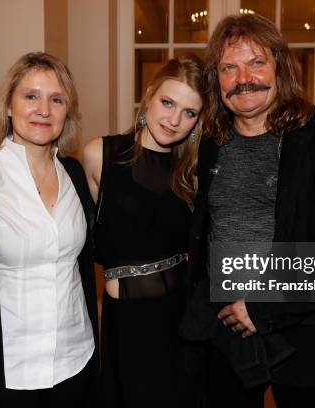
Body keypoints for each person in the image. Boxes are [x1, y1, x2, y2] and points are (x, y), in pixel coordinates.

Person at [182, 14, 315, 408]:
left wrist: (263, 305)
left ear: (280, 67)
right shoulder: (211, 144)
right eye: (228, 67)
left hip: (306, 335)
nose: (244, 78)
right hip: (226, 331)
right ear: (215, 81)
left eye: (256, 62)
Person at [0, 52, 98, 408]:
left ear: (66, 111)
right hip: (8, 371)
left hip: (77, 361)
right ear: (9, 106)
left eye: (56, 99)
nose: (44, 109)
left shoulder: (74, 174)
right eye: (31, 96)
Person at [81, 54, 205, 408]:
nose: (174, 119)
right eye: (167, 102)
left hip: (181, 319)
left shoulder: (192, 171)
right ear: (148, 95)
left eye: (189, 112)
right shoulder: (100, 156)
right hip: (128, 322)